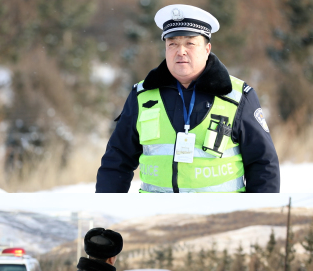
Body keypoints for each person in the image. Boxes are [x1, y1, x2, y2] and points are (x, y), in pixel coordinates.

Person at [96, 4, 279, 193]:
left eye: (190, 43)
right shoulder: (141, 96)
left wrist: (258, 215)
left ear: (207, 48)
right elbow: (116, 162)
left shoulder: (238, 97)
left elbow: (263, 165)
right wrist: (103, 209)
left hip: (223, 218)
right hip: (156, 217)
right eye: (172, 43)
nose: (180, 51)